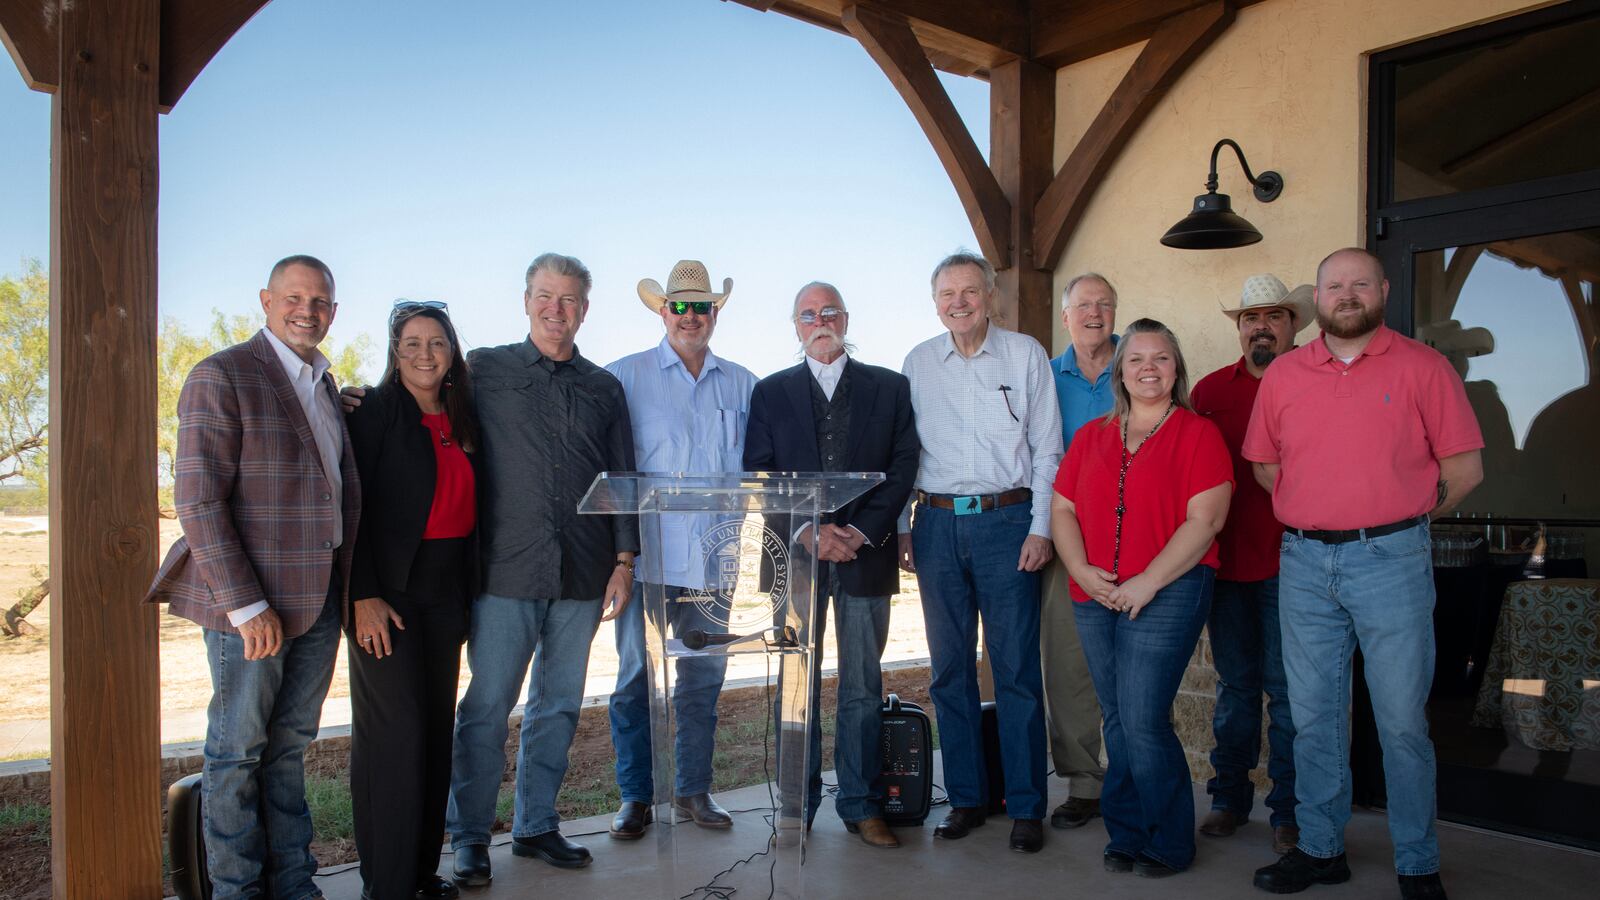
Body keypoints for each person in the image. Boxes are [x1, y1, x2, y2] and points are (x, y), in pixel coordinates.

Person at [1246, 249, 1483, 900]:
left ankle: (1417, 860)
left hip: (1392, 562)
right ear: (1317, 299)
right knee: (1314, 717)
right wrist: (1323, 513)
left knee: (1402, 719)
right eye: (1333, 286)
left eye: (1359, 284)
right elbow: (1267, 469)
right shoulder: (1286, 375)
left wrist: (1393, 517)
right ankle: (1322, 848)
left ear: (1381, 290)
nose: (1346, 295)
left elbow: (1463, 472)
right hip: (1303, 562)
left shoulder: (1424, 368)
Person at [146, 255, 360, 900]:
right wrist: (244, 606)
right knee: (236, 752)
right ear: (266, 301)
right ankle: (238, 891)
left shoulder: (324, 386)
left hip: (320, 600)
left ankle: (294, 882)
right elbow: (200, 500)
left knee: (288, 748)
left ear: (333, 311)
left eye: (320, 301)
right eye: (295, 298)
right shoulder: (223, 375)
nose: (308, 310)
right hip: (253, 610)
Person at [445, 253, 638, 885]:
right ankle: (469, 837)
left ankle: (535, 826)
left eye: (570, 300)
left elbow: (622, 478)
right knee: (488, 705)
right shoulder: (484, 371)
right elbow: (424, 409)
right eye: (546, 297)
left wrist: (624, 560)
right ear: (527, 300)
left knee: (557, 705)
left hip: (583, 573)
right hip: (505, 569)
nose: (557, 310)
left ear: (586, 308)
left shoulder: (605, 387)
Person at [1051, 317, 1232, 878]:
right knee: (1116, 717)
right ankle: (1126, 831)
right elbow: (1062, 509)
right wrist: (1079, 567)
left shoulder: (1199, 433)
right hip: (1095, 593)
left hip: (1169, 590)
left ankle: (1170, 837)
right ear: (1119, 371)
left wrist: (1146, 581)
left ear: (1176, 370)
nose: (1147, 368)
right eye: (1136, 360)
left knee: (1143, 716)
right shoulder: (1091, 437)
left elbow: (1206, 520)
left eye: (1160, 359)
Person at [743, 281, 920, 848]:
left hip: (865, 556)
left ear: (845, 319)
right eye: (808, 315)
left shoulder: (890, 388)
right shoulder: (769, 393)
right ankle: (796, 807)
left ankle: (862, 804)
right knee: (796, 682)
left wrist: (860, 533)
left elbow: (903, 464)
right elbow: (760, 473)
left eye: (829, 312)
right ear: (796, 327)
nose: (820, 322)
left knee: (864, 685)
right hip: (793, 556)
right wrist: (808, 531)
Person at [898, 251, 1061, 854]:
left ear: (990, 295)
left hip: (1007, 523)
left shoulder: (1024, 356)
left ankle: (1025, 805)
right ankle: (966, 798)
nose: (959, 302)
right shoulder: (917, 364)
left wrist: (1040, 527)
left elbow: (1048, 449)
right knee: (948, 672)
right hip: (937, 525)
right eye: (948, 293)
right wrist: (903, 528)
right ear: (934, 301)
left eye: (970, 291)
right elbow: (904, 455)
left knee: (1016, 670)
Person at [604, 260, 755, 839]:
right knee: (635, 679)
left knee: (702, 681)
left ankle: (693, 790)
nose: (691, 317)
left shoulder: (743, 383)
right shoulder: (624, 377)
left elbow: (760, 470)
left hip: (715, 561)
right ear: (663, 311)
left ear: (715, 313)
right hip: (645, 560)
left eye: (702, 307)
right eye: (680, 306)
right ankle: (635, 797)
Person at [344, 301, 480, 900]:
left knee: (432, 735)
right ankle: (389, 886)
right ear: (395, 352)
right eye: (412, 343)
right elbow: (352, 511)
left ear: (452, 352)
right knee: (393, 741)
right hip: (387, 596)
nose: (425, 354)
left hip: (447, 595)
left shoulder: (463, 417)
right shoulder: (371, 413)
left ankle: (422, 875)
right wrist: (362, 594)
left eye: (437, 343)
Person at [1191, 274, 1309, 856]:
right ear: (1239, 329)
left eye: (1273, 316)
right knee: (1236, 688)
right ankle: (1228, 800)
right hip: (1227, 564)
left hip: (1297, 566)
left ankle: (1287, 811)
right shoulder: (1210, 392)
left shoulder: (1315, 384)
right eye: (1250, 317)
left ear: (1293, 326)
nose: (1261, 326)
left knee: (1288, 694)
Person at [1041, 272, 1118, 830]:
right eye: (1083, 305)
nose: (1094, 313)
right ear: (1064, 316)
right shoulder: (1043, 377)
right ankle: (1084, 782)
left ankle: (1137, 773)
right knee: (1068, 665)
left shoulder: (1137, 366)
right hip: (1065, 539)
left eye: (1104, 304)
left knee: (1138, 663)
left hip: (1141, 539)